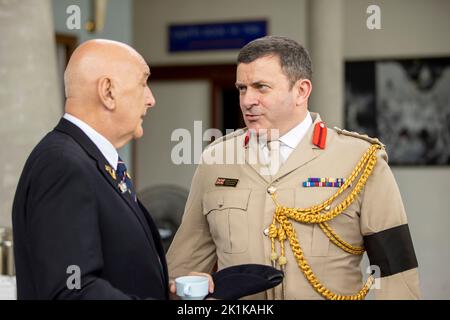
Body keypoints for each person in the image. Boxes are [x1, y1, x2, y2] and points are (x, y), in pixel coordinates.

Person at [167, 36, 421, 300]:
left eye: (261, 87)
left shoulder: (361, 160)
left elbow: (397, 275)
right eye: (242, 88)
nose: (247, 100)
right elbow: (181, 269)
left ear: (301, 91)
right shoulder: (216, 159)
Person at [12, 39, 212, 299]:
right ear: (108, 92)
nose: (151, 99)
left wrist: (170, 292)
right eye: (143, 83)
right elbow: (72, 290)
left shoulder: (91, 161)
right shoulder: (62, 164)